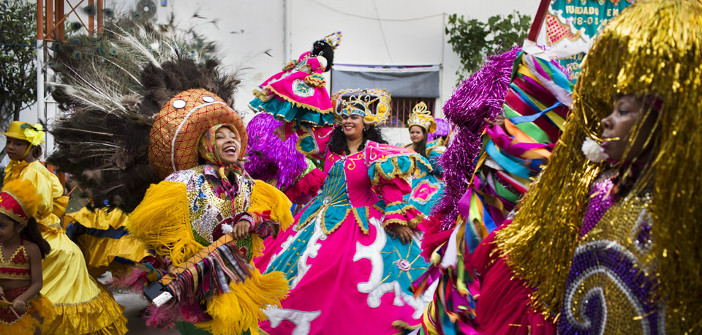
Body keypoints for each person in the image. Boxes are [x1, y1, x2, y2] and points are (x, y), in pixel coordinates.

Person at [464, 1, 702, 333]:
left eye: (622, 111)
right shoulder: (602, 188)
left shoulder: (682, 207)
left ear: (661, 120)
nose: (605, 121)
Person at [254, 88, 433, 334]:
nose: (348, 121)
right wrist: (310, 71)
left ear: (365, 123)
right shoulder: (329, 148)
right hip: (316, 217)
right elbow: (299, 119)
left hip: (358, 221)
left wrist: (397, 218)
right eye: (345, 117)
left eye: (355, 117)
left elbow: (390, 187)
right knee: (297, 271)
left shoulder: (374, 152)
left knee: (347, 275)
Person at [2, 121, 127, 334]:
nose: (10, 147)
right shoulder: (15, 169)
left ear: (31, 147)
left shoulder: (34, 172)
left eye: (18, 143)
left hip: (36, 229)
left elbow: (33, 209)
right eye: (8, 141)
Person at [249, 32, 342, 127]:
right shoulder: (308, 55)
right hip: (293, 75)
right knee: (281, 89)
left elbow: (318, 71)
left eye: (320, 46)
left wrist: (314, 78)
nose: (317, 46)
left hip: (304, 80)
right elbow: (300, 63)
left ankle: (290, 119)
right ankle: (280, 117)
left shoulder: (321, 60)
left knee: (296, 98)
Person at [0, 180, 54, 335]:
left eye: (2, 226)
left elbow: (37, 283)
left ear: (19, 227)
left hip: (26, 309)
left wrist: (22, 299)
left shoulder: (31, 249)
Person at [403, 102, 445, 216]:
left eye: (418, 132)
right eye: (412, 132)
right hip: (406, 182)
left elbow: (441, 169)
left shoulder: (430, 150)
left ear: (424, 134)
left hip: (424, 184)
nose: (414, 135)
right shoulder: (404, 148)